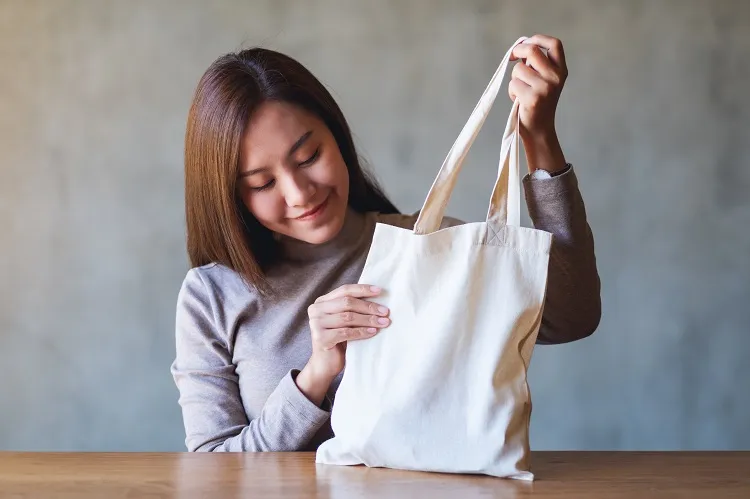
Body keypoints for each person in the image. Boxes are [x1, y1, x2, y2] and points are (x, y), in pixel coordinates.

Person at [171, 34, 601, 452]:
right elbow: (214, 469)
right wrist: (315, 376)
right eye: (263, 183)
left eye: (308, 158)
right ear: (232, 196)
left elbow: (571, 317)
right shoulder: (212, 296)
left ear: (337, 138)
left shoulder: (429, 246)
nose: (299, 193)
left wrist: (539, 138)